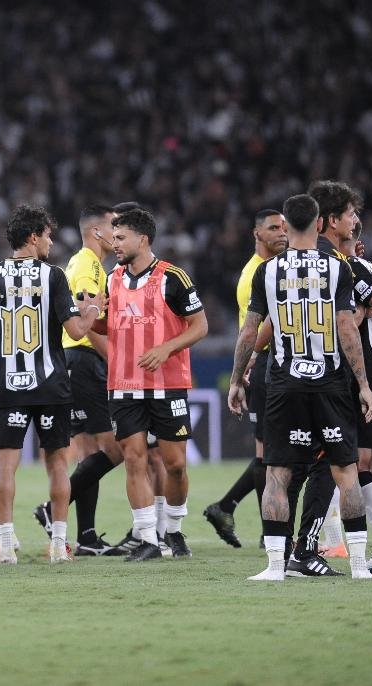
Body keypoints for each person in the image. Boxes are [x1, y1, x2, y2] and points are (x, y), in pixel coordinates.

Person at [228, 193, 372, 580]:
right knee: (345, 470)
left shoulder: (266, 271)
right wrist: (363, 383)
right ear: (319, 222)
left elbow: (249, 331)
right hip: (330, 383)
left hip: (285, 383)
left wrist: (238, 379)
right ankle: (358, 566)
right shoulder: (337, 267)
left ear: (286, 226)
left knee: (278, 473)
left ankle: (275, 566)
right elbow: (345, 327)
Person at [0, 205, 101, 564]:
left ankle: (5, 544)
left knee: (5, 466)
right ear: (32, 237)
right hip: (50, 383)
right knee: (57, 464)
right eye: (47, 235)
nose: (50, 242)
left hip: (3, 383)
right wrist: (91, 311)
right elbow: (75, 331)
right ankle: (59, 544)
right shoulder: (53, 276)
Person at [86, 208, 207, 561]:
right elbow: (108, 326)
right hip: (123, 383)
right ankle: (148, 538)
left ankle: (173, 529)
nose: (114, 244)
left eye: (121, 237)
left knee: (175, 465)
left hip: (168, 383)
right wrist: (90, 314)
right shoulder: (112, 279)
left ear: (143, 239)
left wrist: (166, 347)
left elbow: (199, 326)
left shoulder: (174, 278)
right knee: (134, 460)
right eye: (114, 237)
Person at [305, 180, 372, 573]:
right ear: (331, 222)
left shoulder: (347, 266)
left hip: (363, 375)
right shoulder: (357, 266)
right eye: (352, 214)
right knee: (371, 465)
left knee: (354, 464)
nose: (356, 221)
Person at [32, 203, 124, 555]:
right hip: (83, 361)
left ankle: (86, 537)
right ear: (98, 231)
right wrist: (114, 359)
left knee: (89, 453)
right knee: (115, 450)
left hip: (74, 361)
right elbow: (86, 326)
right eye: (113, 227)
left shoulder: (85, 264)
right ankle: (52, 509)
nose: (117, 234)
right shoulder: (87, 268)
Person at [204, 209, 287, 548]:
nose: (281, 233)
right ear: (256, 234)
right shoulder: (255, 274)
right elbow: (258, 327)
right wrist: (248, 365)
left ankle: (225, 507)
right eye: (272, 228)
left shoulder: (273, 269)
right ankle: (270, 534)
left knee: (271, 454)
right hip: (265, 366)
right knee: (268, 455)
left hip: (269, 365)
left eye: (284, 226)